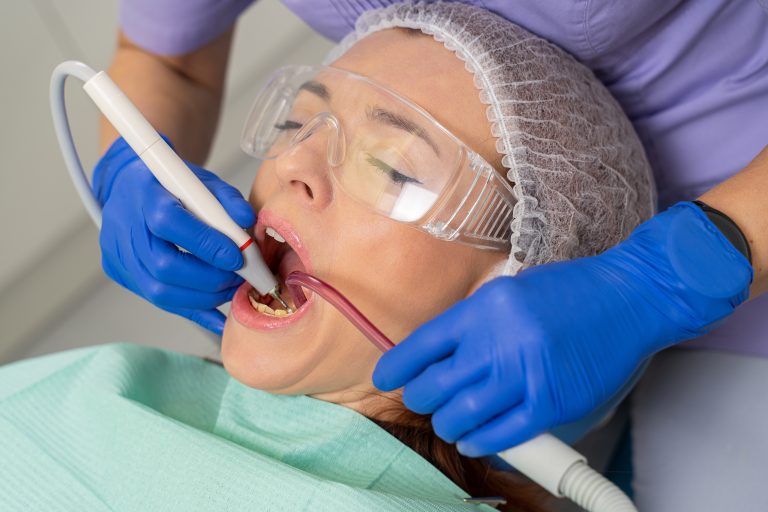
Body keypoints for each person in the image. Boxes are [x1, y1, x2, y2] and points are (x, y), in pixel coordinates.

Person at [100, 0, 768, 509]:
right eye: (293, 123)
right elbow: (170, 58)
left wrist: (666, 278)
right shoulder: (101, 393)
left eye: (394, 171)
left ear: (510, 281)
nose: (293, 162)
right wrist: (130, 169)